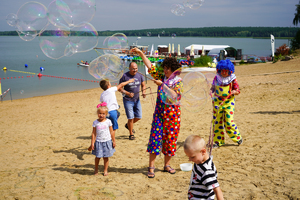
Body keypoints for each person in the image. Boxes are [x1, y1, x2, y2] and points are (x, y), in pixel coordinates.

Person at [130, 47, 182, 178]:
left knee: (170, 140)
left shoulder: (178, 82)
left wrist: (162, 85)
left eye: (167, 69)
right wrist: (141, 53)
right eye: (164, 68)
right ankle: (151, 167)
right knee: (155, 139)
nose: (164, 70)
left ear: (173, 70)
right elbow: (150, 66)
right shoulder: (161, 76)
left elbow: (174, 96)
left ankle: (167, 165)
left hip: (173, 117)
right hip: (159, 115)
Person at [88, 78, 134, 151]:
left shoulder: (102, 94)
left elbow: (104, 103)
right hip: (112, 112)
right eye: (110, 83)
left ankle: (94, 142)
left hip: (106, 112)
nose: (111, 84)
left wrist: (116, 106)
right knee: (113, 128)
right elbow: (121, 85)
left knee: (115, 116)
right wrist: (129, 81)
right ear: (108, 86)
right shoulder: (111, 89)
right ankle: (111, 140)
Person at [210, 59, 243, 148]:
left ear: (230, 71)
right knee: (217, 122)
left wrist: (234, 92)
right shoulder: (217, 78)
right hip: (217, 102)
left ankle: (238, 138)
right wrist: (211, 92)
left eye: (226, 71)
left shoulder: (232, 79)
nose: (224, 73)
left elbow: (237, 90)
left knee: (228, 122)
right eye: (222, 71)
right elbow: (212, 88)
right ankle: (218, 142)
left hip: (229, 102)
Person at [184, 135, 224, 200]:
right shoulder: (198, 161)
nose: (190, 160)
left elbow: (217, 189)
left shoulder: (206, 171)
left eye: (192, 157)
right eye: (188, 157)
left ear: (203, 152)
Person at [119, 62, 146, 140]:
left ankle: (128, 125)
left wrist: (143, 92)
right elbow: (119, 88)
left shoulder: (140, 75)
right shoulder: (124, 76)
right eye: (133, 69)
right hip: (128, 100)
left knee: (139, 116)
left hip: (137, 100)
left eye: (136, 68)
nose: (135, 70)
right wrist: (127, 93)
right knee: (130, 118)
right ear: (129, 68)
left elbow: (143, 85)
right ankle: (131, 134)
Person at [90, 102, 116, 176]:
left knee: (106, 157)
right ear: (97, 113)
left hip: (107, 142)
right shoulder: (95, 122)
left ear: (106, 114)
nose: (101, 115)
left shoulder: (108, 122)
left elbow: (111, 132)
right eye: (100, 113)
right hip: (98, 142)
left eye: (103, 114)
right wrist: (92, 143)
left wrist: (113, 141)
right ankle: (96, 170)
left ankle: (105, 170)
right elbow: (94, 133)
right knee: (98, 157)